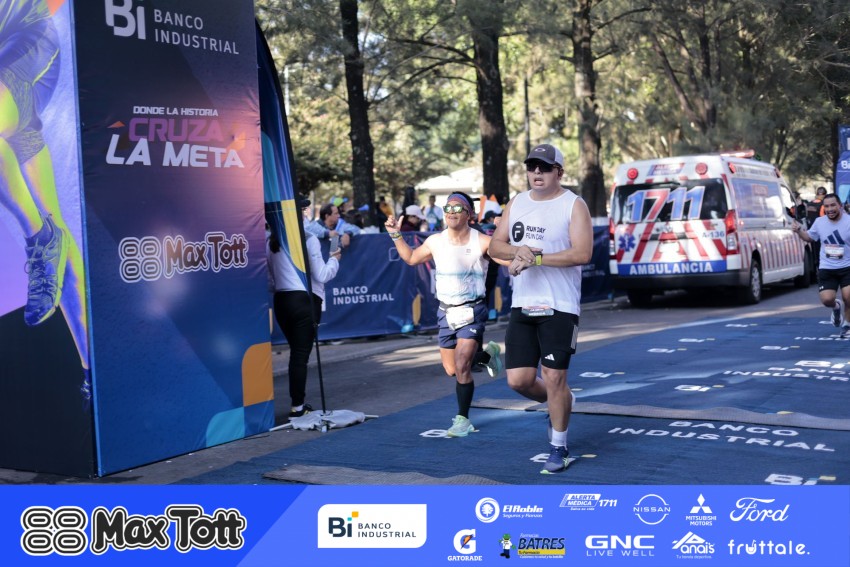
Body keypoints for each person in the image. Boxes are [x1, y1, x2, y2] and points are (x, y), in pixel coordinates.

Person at [488, 143, 593, 474]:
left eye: (544, 167)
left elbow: (582, 253)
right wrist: (517, 251)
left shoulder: (573, 204)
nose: (537, 172)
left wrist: (537, 258)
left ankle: (558, 446)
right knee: (518, 381)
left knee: (554, 376)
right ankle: (562, 402)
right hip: (523, 304)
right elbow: (495, 246)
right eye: (532, 166)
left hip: (560, 305)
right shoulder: (517, 202)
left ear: (558, 172)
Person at [0, 0, 89, 373]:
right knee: (53, 217)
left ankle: (42, 236)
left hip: (28, 43)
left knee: (50, 230)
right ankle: (91, 372)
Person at [384, 191, 503, 437]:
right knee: (452, 369)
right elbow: (411, 258)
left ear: (469, 214)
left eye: (457, 208)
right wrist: (395, 234)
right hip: (445, 311)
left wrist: (520, 250)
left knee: (462, 365)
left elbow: (507, 260)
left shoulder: (482, 241)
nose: (451, 212)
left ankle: (463, 420)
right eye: (447, 208)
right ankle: (487, 355)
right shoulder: (435, 241)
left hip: (472, 309)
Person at [267, 221, 341, 419]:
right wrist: (334, 259)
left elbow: (270, 281)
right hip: (304, 300)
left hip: (282, 300)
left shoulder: (271, 240)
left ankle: (298, 405)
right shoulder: (308, 238)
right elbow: (322, 275)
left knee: (297, 354)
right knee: (300, 356)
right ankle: (297, 407)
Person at [792, 192, 850, 335]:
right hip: (827, 267)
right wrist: (799, 231)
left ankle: (847, 324)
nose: (830, 209)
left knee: (848, 297)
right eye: (827, 206)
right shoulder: (819, 222)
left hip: (847, 266)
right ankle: (836, 307)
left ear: (840, 206)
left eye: (833, 206)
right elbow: (809, 237)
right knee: (827, 300)